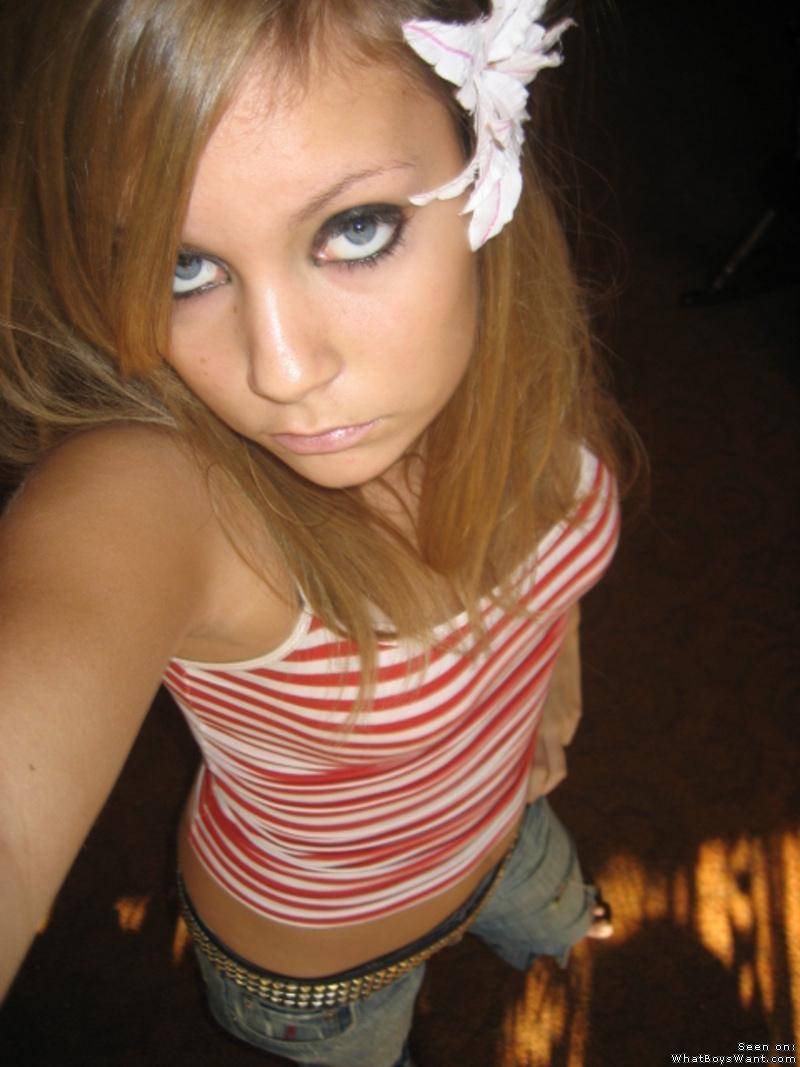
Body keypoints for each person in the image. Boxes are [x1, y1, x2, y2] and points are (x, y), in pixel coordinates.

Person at [0, 1, 629, 1064]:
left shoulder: (507, 373)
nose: (281, 370)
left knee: (561, 914)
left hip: (510, 821)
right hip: (321, 972)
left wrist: (549, 695)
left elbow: (543, 588)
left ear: (488, 172)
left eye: (356, 229)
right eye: (181, 267)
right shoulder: (168, 497)